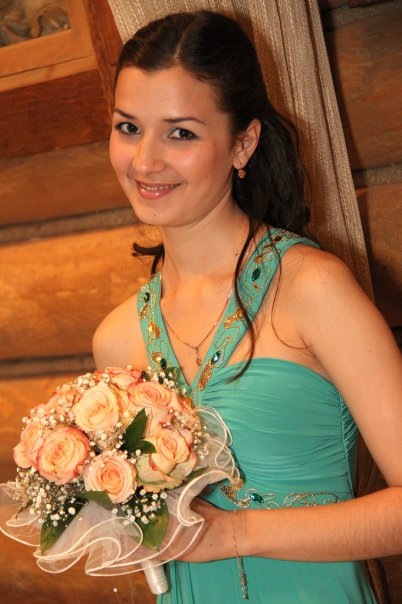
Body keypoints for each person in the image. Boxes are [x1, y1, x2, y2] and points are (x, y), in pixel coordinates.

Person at [92, 10, 402, 603]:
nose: (145, 161)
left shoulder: (312, 287)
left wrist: (235, 532)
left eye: (181, 133)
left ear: (244, 143)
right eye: (128, 127)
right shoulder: (117, 338)